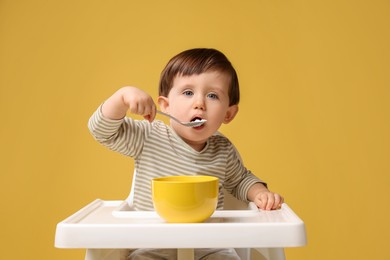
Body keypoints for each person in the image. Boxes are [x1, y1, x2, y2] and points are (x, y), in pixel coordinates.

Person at [88, 48, 284, 260]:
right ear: (165, 105)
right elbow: (101, 131)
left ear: (228, 113)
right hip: (152, 245)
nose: (199, 103)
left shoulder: (223, 150)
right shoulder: (148, 136)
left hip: (209, 246)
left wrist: (259, 194)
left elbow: (241, 181)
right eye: (188, 93)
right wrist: (122, 97)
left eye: (212, 95)